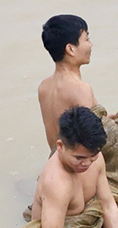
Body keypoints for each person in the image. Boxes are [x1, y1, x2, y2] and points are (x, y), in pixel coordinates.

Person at [39, 14, 105, 152]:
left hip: (59, 156)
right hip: (80, 163)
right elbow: (91, 141)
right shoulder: (81, 89)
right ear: (70, 49)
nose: (90, 44)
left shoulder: (44, 87)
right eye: (86, 39)